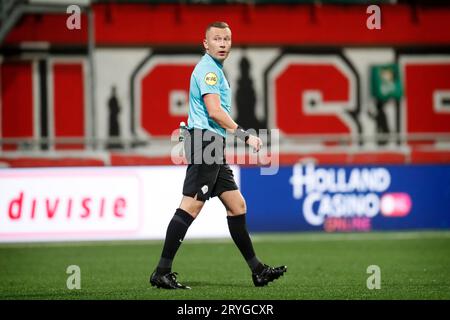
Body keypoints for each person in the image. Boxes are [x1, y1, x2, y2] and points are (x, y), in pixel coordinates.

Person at [149, 21, 287, 289]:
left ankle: (258, 270)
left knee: (237, 206)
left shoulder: (214, 69)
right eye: (217, 39)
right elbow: (214, 111)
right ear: (206, 43)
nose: (223, 43)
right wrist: (245, 134)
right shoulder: (209, 71)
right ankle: (161, 271)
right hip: (204, 142)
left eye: (227, 39)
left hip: (212, 144)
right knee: (191, 205)